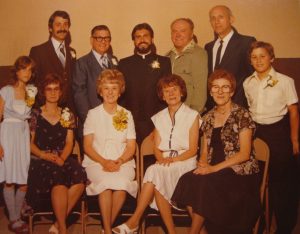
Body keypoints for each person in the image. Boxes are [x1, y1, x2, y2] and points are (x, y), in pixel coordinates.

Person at [172, 69, 261, 234]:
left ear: (232, 91)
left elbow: (244, 154)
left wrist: (212, 169)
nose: (220, 91)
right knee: (188, 180)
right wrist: (203, 164)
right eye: (215, 87)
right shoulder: (208, 117)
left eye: (225, 87)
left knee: (204, 185)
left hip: (240, 174)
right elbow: (204, 151)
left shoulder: (242, 115)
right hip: (215, 171)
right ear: (210, 90)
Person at [113, 74, 199, 234]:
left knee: (154, 172)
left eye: (174, 90)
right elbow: (156, 149)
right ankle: (165, 230)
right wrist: (161, 159)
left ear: (182, 92)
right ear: (162, 95)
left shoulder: (192, 115)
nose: (171, 94)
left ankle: (134, 221)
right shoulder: (159, 118)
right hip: (165, 163)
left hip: (186, 163)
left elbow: (193, 149)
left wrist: (172, 161)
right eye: (167, 91)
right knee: (157, 173)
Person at [243, 41, 299, 234]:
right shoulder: (247, 83)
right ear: (250, 60)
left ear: (271, 58)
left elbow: (293, 111)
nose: (258, 60)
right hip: (257, 132)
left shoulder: (285, 81)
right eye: (254, 57)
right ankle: (260, 223)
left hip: (279, 132)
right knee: (257, 180)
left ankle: (284, 226)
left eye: (263, 56)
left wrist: (294, 140)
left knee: (282, 183)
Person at [26, 73, 87, 234]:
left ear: (61, 92)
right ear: (43, 92)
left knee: (80, 176)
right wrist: (44, 155)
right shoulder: (34, 114)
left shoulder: (67, 114)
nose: (53, 93)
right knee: (58, 176)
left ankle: (58, 225)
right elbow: (29, 144)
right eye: (49, 89)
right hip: (41, 159)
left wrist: (62, 158)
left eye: (56, 89)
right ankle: (64, 229)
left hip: (62, 157)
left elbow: (69, 142)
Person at [83, 69, 137, 234]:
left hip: (123, 161)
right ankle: (107, 230)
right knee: (105, 185)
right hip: (97, 162)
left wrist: (119, 161)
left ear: (120, 91)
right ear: (100, 91)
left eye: (114, 88)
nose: (110, 92)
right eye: (106, 88)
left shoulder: (126, 114)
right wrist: (103, 162)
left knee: (121, 186)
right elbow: (87, 146)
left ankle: (105, 229)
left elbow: (131, 146)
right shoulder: (92, 114)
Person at [0, 56, 36, 233]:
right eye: (23, 69)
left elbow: (31, 119)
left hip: (22, 136)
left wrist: (31, 139)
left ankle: (17, 212)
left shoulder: (31, 91)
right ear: (16, 71)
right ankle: (14, 219)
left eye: (30, 70)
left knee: (23, 180)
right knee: (9, 180)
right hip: (7, 135)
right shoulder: (6, 90)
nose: (27, 73)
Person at [118, 23, 171, 144]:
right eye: (138, 37)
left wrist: (161, 121)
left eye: (145, 36)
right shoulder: (124, 64)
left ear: (152, 39)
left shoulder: (164, 62)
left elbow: (166, 93)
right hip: (131, 120)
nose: (142, 39)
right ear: (134, 41)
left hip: (156, 120)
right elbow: (121, 96)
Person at [73, 25, 118, 153]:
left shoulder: (114, 61)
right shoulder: (82, 63)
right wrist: (93, 121)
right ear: (91, 40)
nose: (103, 41)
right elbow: (79, 95)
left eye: (106, 38)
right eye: (99, 38)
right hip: (92, 124)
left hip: (113, 123)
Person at [205, 5, 256, 110]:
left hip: (238, 106)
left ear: (231, 19)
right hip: (214, 108)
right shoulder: (208, 47)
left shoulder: (246, 42)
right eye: (213, 18)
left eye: (221, 17)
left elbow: (253, 76)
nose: (217, 21)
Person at [29, 10, 76, 111]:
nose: (62, 28)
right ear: (50, 28)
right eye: (58, 25)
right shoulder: (38, 51)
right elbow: (32, 83)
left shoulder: (72, 52)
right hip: (45, 109)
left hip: (67, 109)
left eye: (65, 24)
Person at [167, 18, 208, 113]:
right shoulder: (168, 56)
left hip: (188, 114)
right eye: (174, 31)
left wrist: (193, 115)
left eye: (183, 31)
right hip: (171, 113)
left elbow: (200, 90)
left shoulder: (198, 54)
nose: (177, 34)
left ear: (191, 34)